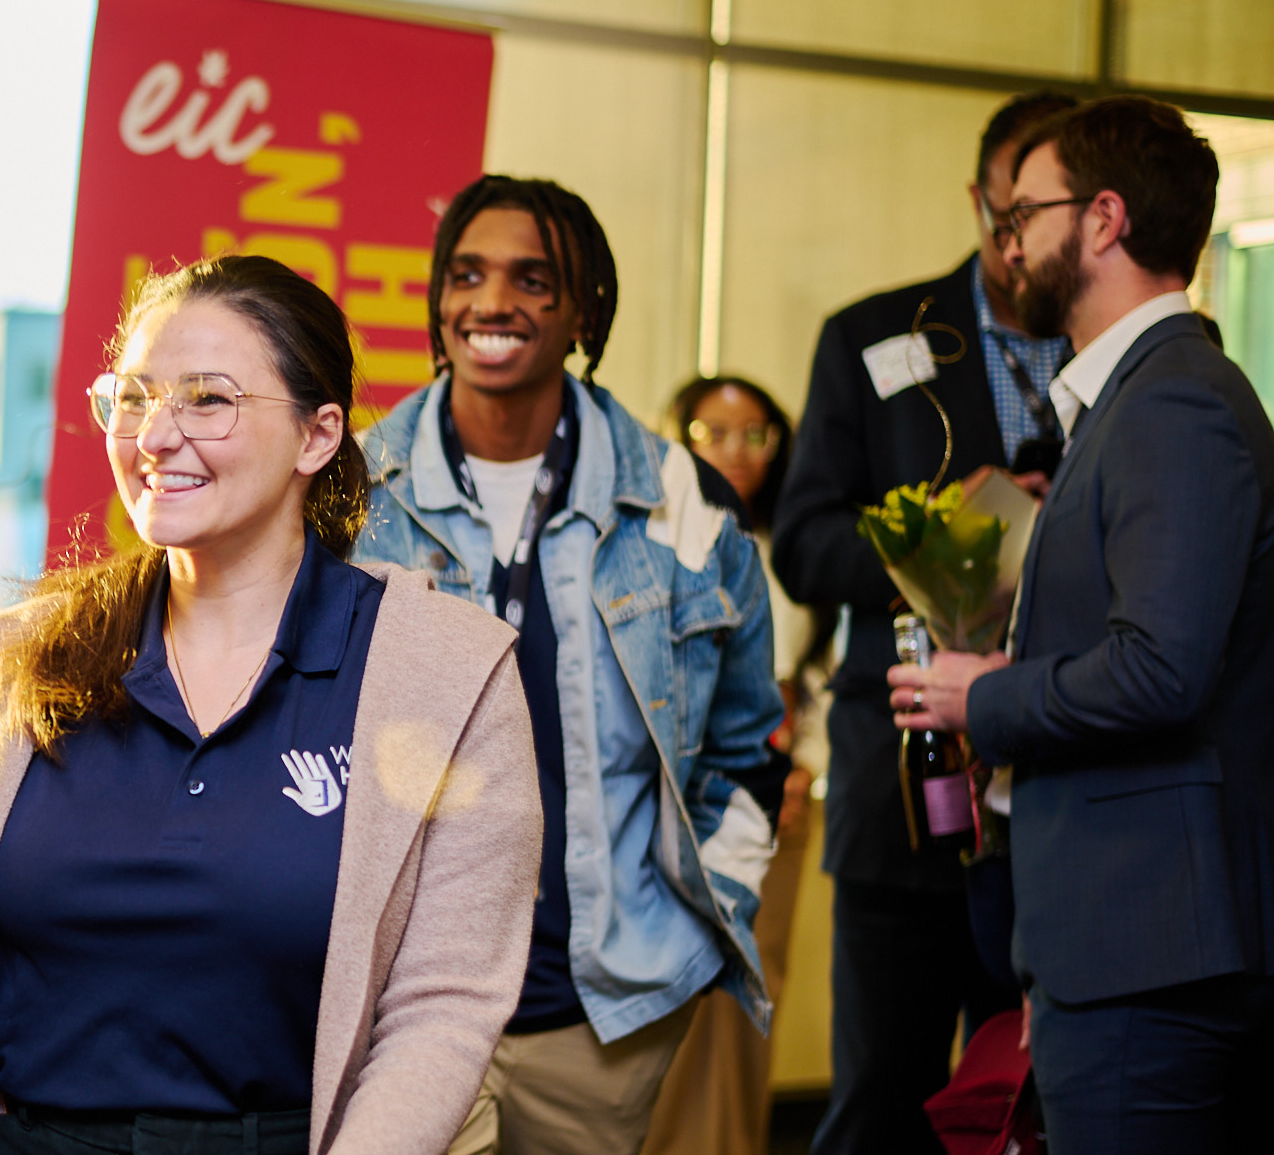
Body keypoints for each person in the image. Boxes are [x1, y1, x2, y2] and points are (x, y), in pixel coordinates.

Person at [0, 255, 543, 1155]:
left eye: (208, 399)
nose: (154, 436)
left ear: (317, 435)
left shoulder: (447, 672)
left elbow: (445, 1006)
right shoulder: (13, 663)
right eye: (133, 397)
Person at [355, 175, 786, 1155]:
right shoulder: (356, 492)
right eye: (466, 274)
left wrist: (700, 920)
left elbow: (748, 743)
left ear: (584, 309)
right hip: (401, 1002)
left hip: (599, 1019)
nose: (492, 302)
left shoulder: (682, 505)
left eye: (532, 279)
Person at [893, 96, 1274, 1153]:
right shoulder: (1135, 396)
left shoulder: (1173, 402)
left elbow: (1160, 669)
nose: (1006, 242)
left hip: (1148, 947)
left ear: (1103, 220)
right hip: (1116, 938)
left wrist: (984, 694)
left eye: (1024, 214)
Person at [771, 90, 1076, 1155]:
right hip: (907, 779)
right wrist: (947, 539)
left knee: (1043, 1098)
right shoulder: (875, 337)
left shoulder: (1118, 349)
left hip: (1065, 783)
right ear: (977, 198)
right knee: (882, 1097)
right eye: (1005, 215)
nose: (1018, 243)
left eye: (1041, 217)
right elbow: (804, 545)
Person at [644, 375, 823, 1155]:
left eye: (755, 433)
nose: (735, 450)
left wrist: (805, 766)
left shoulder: (798, 551)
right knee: (670, 986)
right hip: (674, 796)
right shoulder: (652, 541)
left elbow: (825, 676)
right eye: (712, 431)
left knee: (753, 985)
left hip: (779, 796)